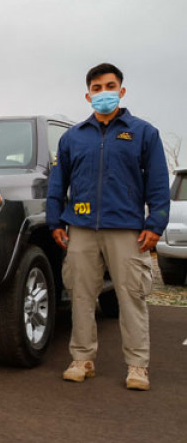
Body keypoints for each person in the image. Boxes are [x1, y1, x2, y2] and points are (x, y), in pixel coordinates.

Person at [47, 63, 170, 391]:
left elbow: (158, 182)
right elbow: (58, 182)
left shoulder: (144, 133)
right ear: (88, 95)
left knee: (132, 297)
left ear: (122, 90)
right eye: (97, 88)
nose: (104, 93)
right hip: (81, 228)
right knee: (81, 296)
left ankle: (137, 366)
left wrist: (155, 223)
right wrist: (54, 220)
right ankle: (82, 359)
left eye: (110, 86)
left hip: (126, 229)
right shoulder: (73, 137)